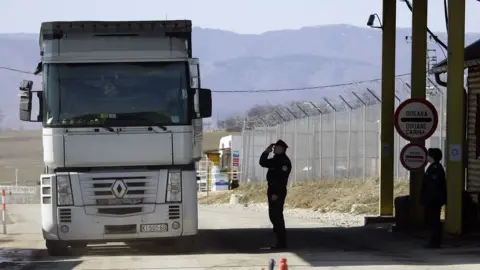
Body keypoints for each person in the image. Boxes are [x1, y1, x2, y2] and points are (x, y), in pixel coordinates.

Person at [259, 139, 291, 249]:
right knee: (273, 216)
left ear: (282, 149)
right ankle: (279, 242)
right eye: (274, 148)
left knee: (277, 216)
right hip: (272, 189)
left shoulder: (284, 162)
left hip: (278, 191)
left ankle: (282, 243)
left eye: (276, 148)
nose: (274, 149)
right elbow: (262, 163)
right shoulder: (275, 160)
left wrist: (276, 193)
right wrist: (266, 151)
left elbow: (281, 179)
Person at [420, 148, 447, 249]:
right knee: (432, 221)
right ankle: (432, 241)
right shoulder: (432, 167)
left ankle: (435, 242)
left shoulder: (436, 168)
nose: (427, 157)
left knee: (434, 221)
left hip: (434, 200)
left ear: (432, 156)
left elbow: (433, 185)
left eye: (428, 155)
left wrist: (429, 199)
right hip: (432, 200)